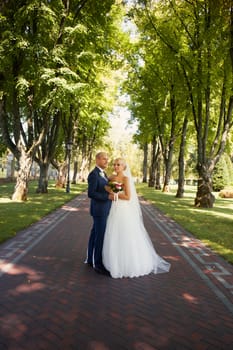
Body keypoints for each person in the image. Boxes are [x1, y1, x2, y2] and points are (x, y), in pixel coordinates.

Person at [102, 157, 171, 278]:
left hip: (124, 209)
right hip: (114, 209)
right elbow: (106, 187)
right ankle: (115, 263)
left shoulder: (125, 179)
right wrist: (109, 189)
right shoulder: (111, 178)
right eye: (114, 164)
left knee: (126, 234)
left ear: (124, 167)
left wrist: (115, 195)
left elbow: (128, 196)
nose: (116, 166)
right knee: (114, 233)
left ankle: (130, 264)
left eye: (118, 165)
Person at [85, 152, 112, 275]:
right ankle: (98, 265)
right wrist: (108, 196)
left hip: (103, 209)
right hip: (99, 210)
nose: (106, 161)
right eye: (104, 159)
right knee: (99, 237)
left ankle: (91, 259)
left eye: (107, 159)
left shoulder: (104, 174)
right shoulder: (94, 174)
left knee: (95, 234)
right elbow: (91, 193)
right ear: (97, 160)